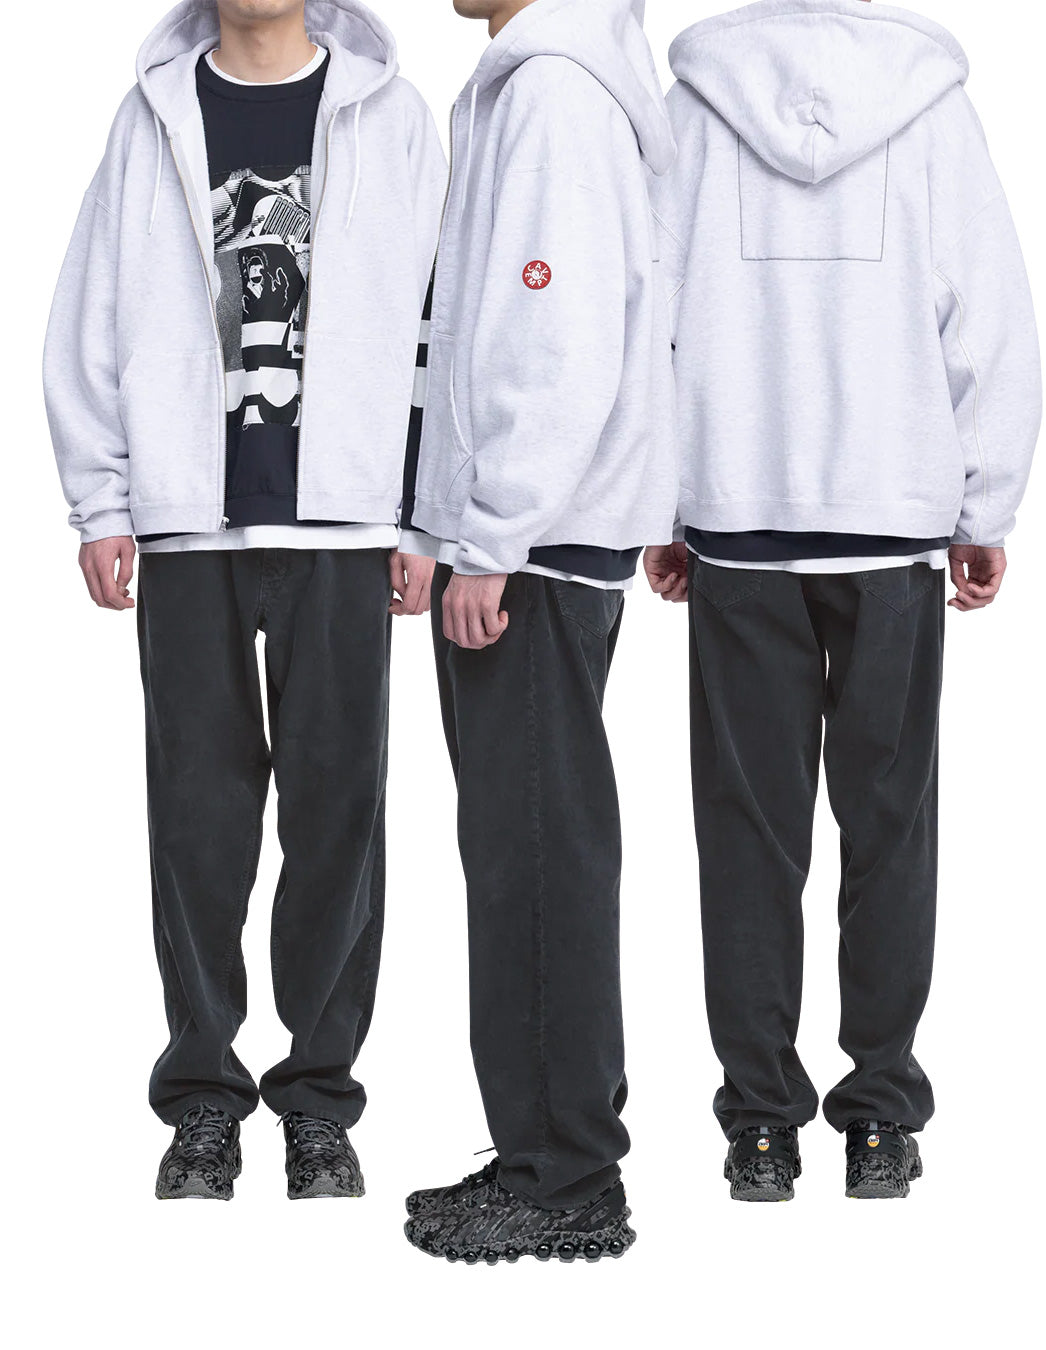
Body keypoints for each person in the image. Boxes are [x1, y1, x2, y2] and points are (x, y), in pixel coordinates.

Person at [43, 0, 447, 1201]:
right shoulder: (150, 116)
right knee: (197, 825)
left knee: (339, 819)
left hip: (346, 522)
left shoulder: (390, 115)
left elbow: (438, 317)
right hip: (189, 526)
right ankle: (203, 1102)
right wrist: (102, 502)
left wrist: (426, 513)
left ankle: (317, 1101)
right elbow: (90, 310)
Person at [647, 0, 1041, 1200]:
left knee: (745, 838)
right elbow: (987, 311)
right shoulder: (927, 106)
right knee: (889, 834)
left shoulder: (695, 105)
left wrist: (658, 499)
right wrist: (982, 503)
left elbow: (644, 306)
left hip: (739, 513)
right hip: (888, 519)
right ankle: (877, 1119)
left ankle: (760, 1128)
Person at [398, 0, 676, 1262]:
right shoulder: (540, 83)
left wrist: (491, 534)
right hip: (539, 538)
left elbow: (550, 338)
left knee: (534, 854)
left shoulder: (555, 93)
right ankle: (544, 1155)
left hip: (533, 546)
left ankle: (563, 1183)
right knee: (531, 845)